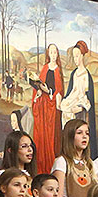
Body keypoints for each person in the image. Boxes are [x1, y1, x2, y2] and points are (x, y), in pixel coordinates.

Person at [53, 118, 95, 197]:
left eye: (87, 133)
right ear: (70, 136)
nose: (84, 136)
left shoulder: (90, 163)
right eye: (79, 133)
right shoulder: (62, 161)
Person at [30, 43, 64, 173]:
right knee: (41, 134)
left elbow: (59, 90)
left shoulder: (58, 70)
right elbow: (39, 84)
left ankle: (51, 165)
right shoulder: (45, 68)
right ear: (48, 54)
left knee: (50, 136)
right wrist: (39, 91)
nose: (53, 55)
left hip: (51, 105)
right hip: (42, 105)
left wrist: (50, 92)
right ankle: (40, 166)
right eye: (51, 52)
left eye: (55, 52)